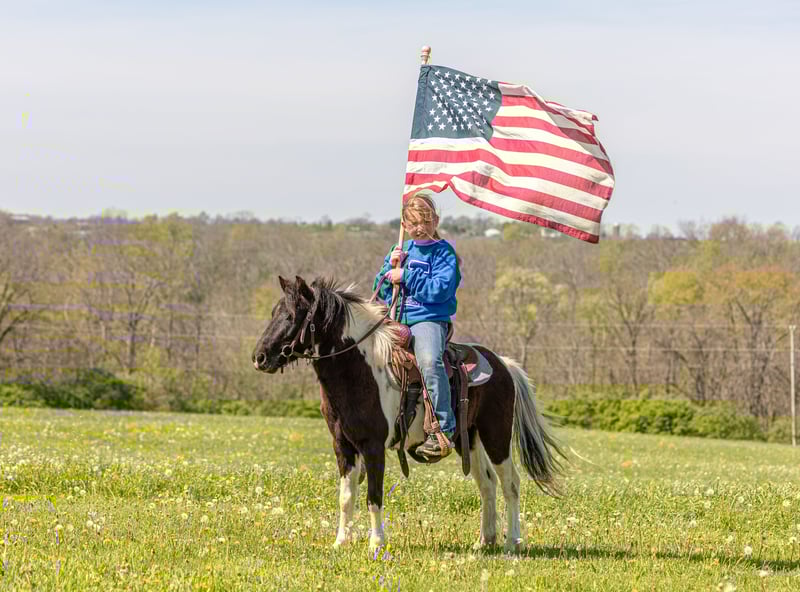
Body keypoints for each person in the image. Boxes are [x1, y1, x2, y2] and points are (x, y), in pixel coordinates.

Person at [373, 194, 461, 458]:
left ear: (436, 221)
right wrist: (389, 268)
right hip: (397, 318)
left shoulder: (444, 252)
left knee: (429, 361)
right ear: (403, 224)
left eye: (426, 222)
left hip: (428, 318)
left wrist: (407, 275)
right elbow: (381, 291)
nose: (420, 228)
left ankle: (442, 428)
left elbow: (441, 290)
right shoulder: (400, 249)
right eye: (413, 223)